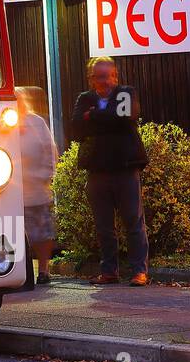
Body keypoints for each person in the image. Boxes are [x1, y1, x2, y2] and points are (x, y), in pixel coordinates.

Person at [68, 57, 149, 286]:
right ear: (91, 79)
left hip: (125, 167)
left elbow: (125, 117)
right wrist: (107, 117)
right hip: (97, 169)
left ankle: (139, 272)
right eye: (99, 77)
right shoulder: (84, 98)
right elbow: (76, 126)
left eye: (108, 76)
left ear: (115, 76)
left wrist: (92, 116)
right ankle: (109, 271)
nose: (105, 81)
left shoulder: (126, 92)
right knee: (103, 226)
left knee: (133, 221)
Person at [16, 86, 58, 284]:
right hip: (12, 192)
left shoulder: (36, 123)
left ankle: (44, 270)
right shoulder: (0, 124)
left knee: (42, 234)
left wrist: (47, 174)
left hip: (36, 187)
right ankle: (18, 271)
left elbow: (50, 150)